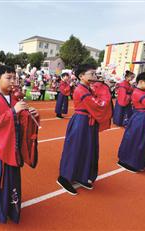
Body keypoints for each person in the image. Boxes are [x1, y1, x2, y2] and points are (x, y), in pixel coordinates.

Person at [0, 65, 39, 225]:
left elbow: (22, 119)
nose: (13, 81)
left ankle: (9, 206)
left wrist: (32, 115)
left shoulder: (16, 99)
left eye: (14, 77)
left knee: (11, 177)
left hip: (13, 145)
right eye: (8, 77)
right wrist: (13, 112)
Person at [57, 64, 112, 195]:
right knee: (75, 149)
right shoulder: (81, 90)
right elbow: (99, 105)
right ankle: (64, 177)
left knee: (88, 149)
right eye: (92, 74)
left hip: (88, 123)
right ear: (81, 76)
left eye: (95, 74)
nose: (95, 76)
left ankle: (81, 175)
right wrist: (104, 88)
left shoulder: (88, 88)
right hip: (81, 122)